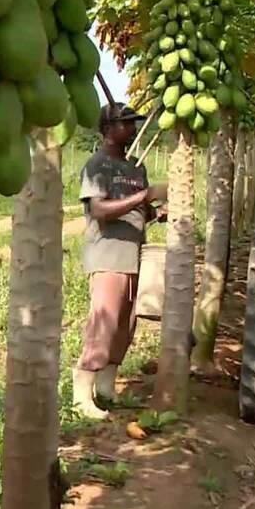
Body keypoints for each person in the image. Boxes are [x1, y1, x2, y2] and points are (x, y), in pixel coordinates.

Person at [72, 103, 167, 420]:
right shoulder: (96, 167)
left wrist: (157, 212)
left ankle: (106, 389)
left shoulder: (135, 169)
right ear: (108, 129)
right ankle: (81, 393)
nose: (132, 129)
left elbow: (141, 210)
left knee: (126, 326)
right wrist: (144, 197)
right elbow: (99, 211)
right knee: (104, 323)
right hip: (108, 256)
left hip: (135, 256)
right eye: (126, 124)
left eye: (133, 123)